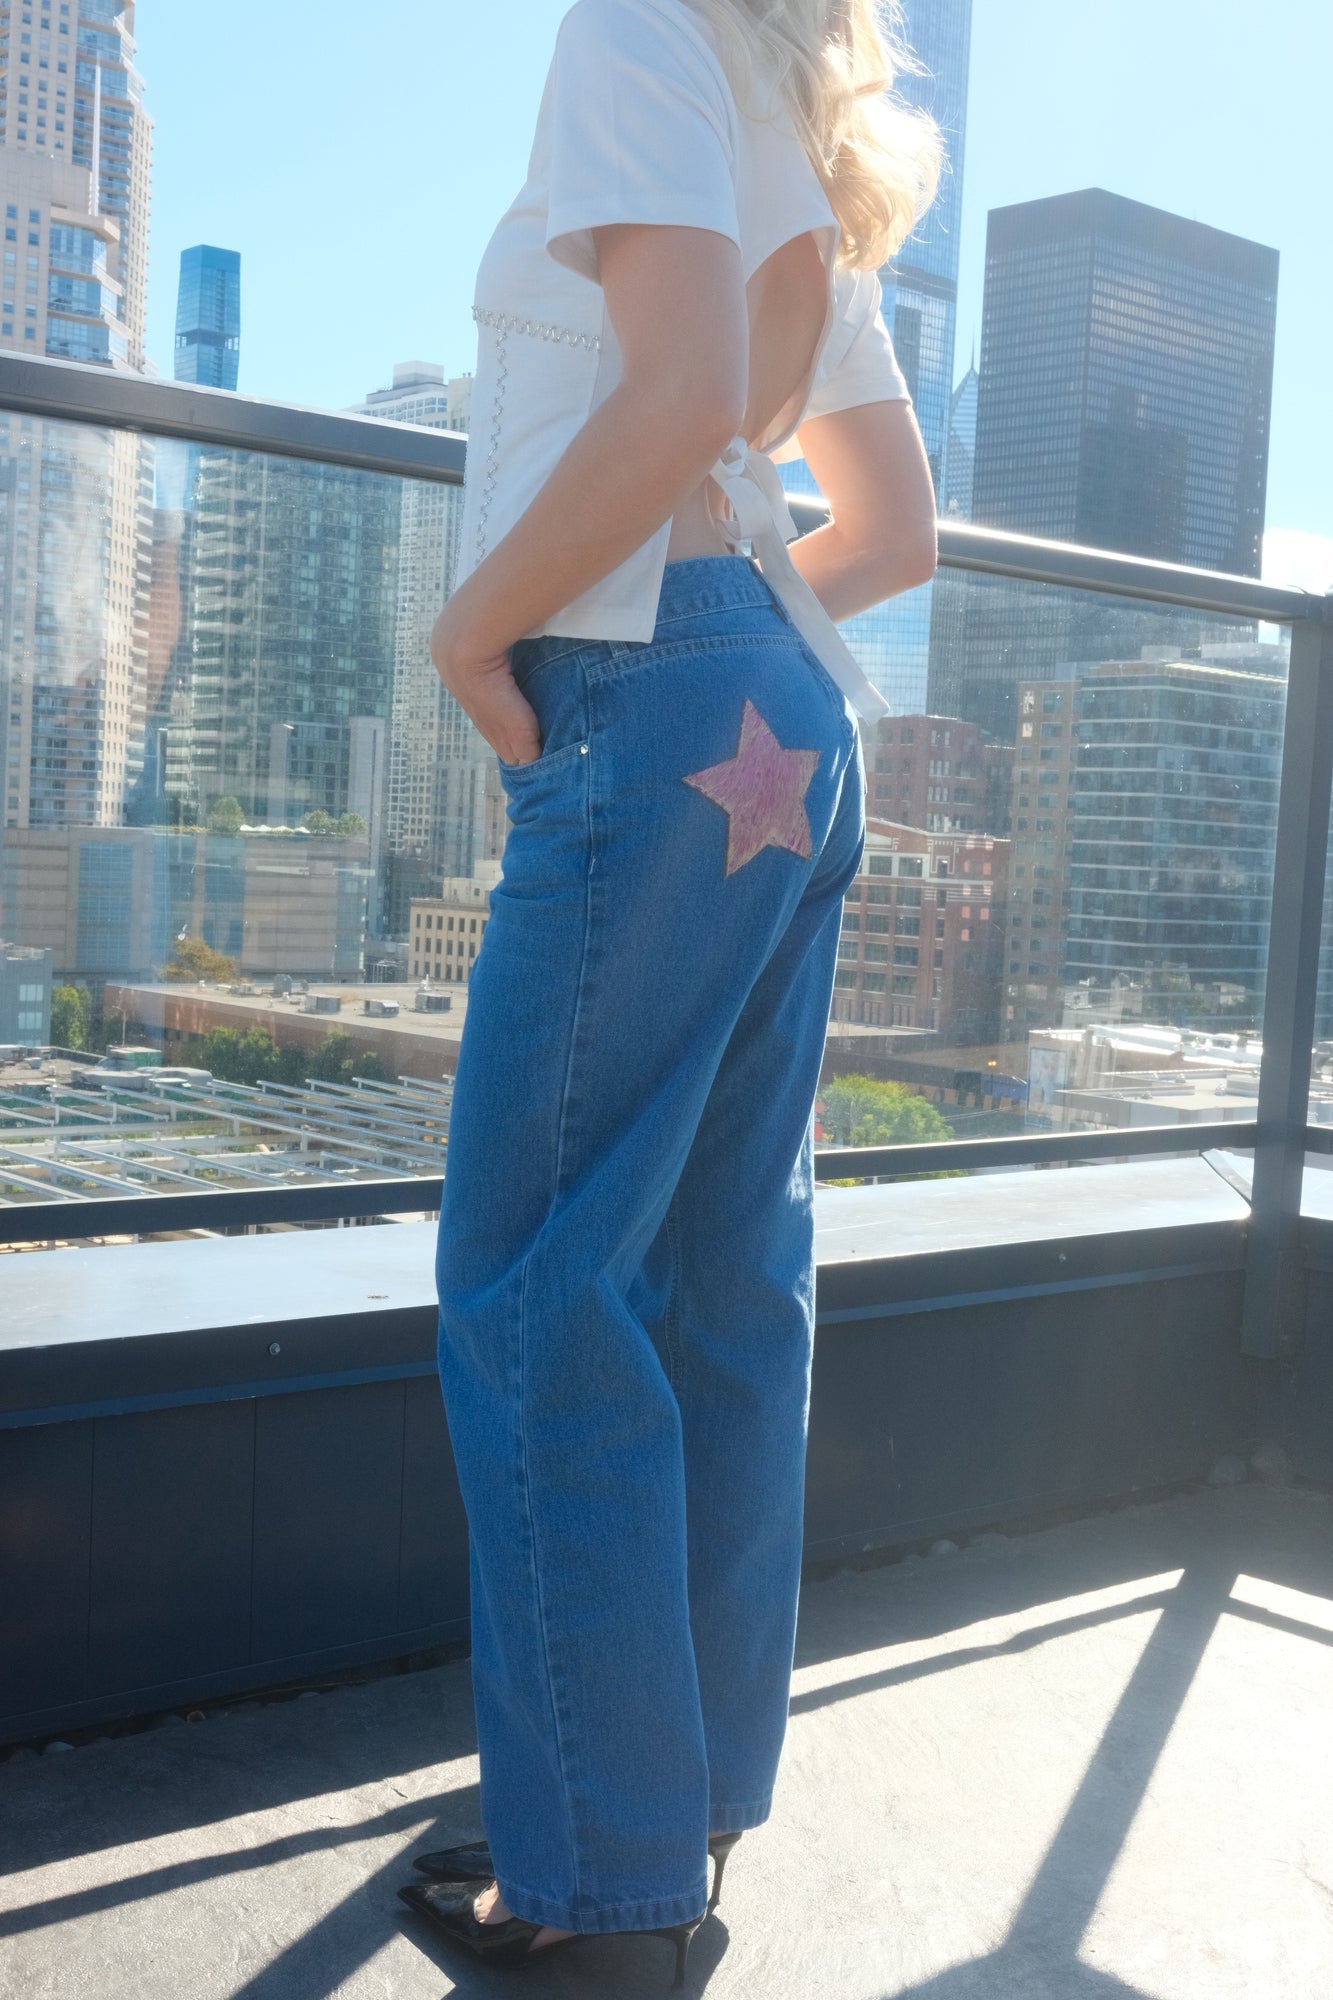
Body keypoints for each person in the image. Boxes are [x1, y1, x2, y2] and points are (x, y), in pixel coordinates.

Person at [399, 0, 940, 1985]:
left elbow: (680, 384)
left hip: (649, 696)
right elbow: (893, 528)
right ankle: (673, 1801)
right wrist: (738, 631)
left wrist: (476, 634)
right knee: (724, 1277)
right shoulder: (793, 118)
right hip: (788, 715)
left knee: (536, 1283)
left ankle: (595, 1875)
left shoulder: (635, 28)